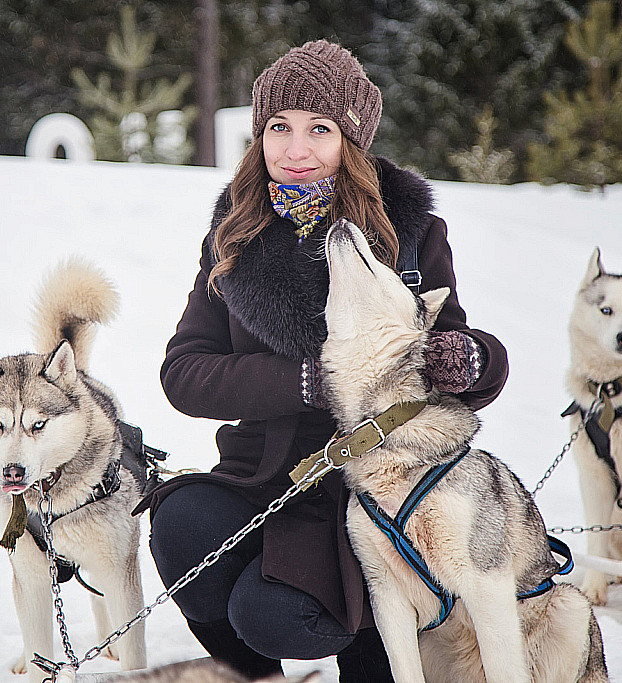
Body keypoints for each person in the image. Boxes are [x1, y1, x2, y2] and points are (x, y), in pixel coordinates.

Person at [137, 40, 509, 682]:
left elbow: (463, 350)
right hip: (262, 474)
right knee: (182, 527)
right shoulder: (233, 235)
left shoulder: (407, 231)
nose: (295, 150)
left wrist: (470, 360)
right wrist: (308, 380)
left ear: (351, 139)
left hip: (371, 483)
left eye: (319, 129)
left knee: (270, 611)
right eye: (279, 128)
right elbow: (185, 372)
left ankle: (372, 653)